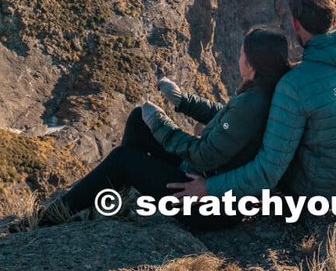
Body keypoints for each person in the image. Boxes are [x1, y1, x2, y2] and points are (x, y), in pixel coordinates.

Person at [171, 0, 336, 202]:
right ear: (335, 20)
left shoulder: (293, 85)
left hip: (311, 194)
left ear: (295, 23)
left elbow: (268, 171)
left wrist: (208, 188)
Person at [37, 27, 292, 225]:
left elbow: (202, 155)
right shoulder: (265, 92)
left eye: (241, 54)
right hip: (211, 186)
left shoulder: (252, 103)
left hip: (207, 206)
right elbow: (227, 119)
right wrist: (183, 101)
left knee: (123, 159)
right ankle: (114, 203)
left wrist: (160, 123)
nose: (239, 58)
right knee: (138, 119)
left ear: (252, 64)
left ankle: (49, 217)